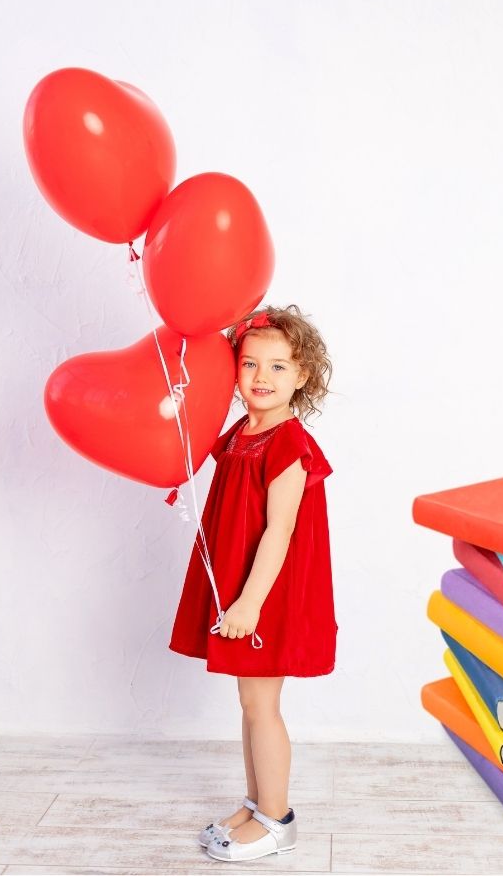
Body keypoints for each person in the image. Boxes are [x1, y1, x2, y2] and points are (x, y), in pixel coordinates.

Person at [168, 304, 338, 863]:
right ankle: (258, 802)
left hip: (266, 593)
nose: (262, 378)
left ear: (303, 375)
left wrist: (248, 604)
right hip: (241, 586)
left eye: (279, 367)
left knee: (262, 704)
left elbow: (280, 532)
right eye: (250, 365)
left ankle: (279, 819)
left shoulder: (288, 444)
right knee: (249, 702)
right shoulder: (242, 432)